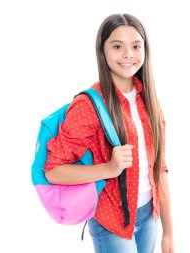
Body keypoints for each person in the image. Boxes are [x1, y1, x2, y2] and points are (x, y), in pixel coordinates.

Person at [44, 13, 174, 253]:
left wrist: (169, 233)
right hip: (111, 220)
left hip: (149, 215)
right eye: (117, 46)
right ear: (102, 52)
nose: (128, 54)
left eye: (136, 46)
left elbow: (160, 168)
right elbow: (53, 171)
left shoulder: (149, 100)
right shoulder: (88, 106)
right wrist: (110, 169)